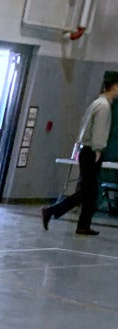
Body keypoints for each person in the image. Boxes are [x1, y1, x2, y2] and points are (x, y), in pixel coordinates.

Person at [41, 71, 118, 237]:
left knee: (90, 192)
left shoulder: (97, 103)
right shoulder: (104, 106)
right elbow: (99, 130)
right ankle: (52, 210)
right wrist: (98, 149)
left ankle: (83, 225)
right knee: (88, 191)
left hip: (87, 150)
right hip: (92, 151)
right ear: (114, 86)